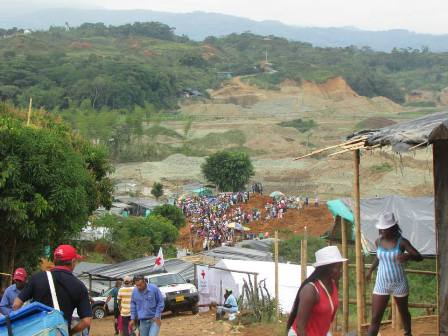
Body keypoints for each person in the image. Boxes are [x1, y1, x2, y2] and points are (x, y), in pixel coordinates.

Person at [13, 245, 92, 335]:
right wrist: (69, 332)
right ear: (73, 262)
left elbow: (16, 305)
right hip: (60, 332)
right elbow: (86, 321)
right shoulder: (79, 286)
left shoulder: (36, 278)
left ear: (54, 261)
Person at [366, 212, 423, 336]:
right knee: (375, 317)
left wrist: (407, 256)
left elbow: (419, 256)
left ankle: (408, 333)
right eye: (381, 228)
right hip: (382, 282)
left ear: (392, 228)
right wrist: (370, 270)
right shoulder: (378, 242)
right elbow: (379, 257)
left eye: (384, 229)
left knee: (404, 313)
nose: (381, 231)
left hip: (399, 283)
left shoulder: (401, 242)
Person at [287, 246, 347, 336]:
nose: (341, 271)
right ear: (328, 269)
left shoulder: (334, 285)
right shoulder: (310, 290)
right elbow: (300, 328)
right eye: (338, 267)